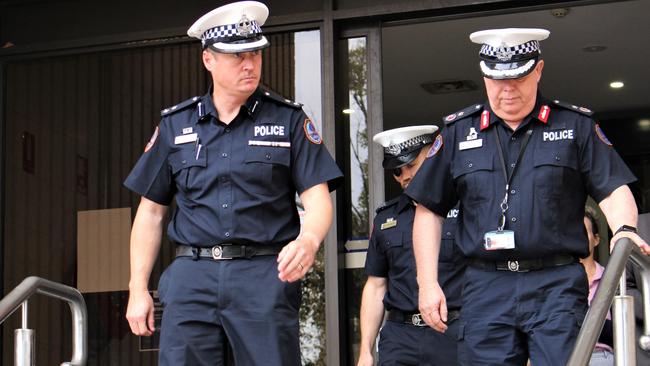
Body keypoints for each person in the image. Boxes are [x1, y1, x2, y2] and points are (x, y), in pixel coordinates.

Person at [405, 27, 650, 366]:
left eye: (517, 79)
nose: (507, 91)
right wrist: (427, 283)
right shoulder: (459, 131)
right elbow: (428, 211)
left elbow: (613, 189)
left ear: (538, 70)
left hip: (557, 285)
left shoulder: (574, 126)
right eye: (496, 80)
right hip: (485, 285)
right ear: (484, 76)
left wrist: (625, 229)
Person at [123, 2, 343, 365]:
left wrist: (309, 239)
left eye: (255, 53)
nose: (250, 64)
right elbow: (150, 214)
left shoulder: (288, 120)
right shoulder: (176, 126)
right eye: (237, 55)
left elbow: (318, 201)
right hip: (192, 275)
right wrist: (137, 288)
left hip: (263, 274)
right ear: (208, 59)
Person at [357, 126, 465, 366]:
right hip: (400, 338)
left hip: (455, 333)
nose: (404, 176)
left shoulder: (464, 209)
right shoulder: (385, 218)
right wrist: (365, 350)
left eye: (411, 164)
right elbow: (376, 285)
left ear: (432, 155)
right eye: (397, 170)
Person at [581, 206, 614, 366]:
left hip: (599, 355)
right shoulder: (552, 281)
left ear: (596, 239)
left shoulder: (611, 279)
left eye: (583, 231)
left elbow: (616, 331)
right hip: (562, 354)